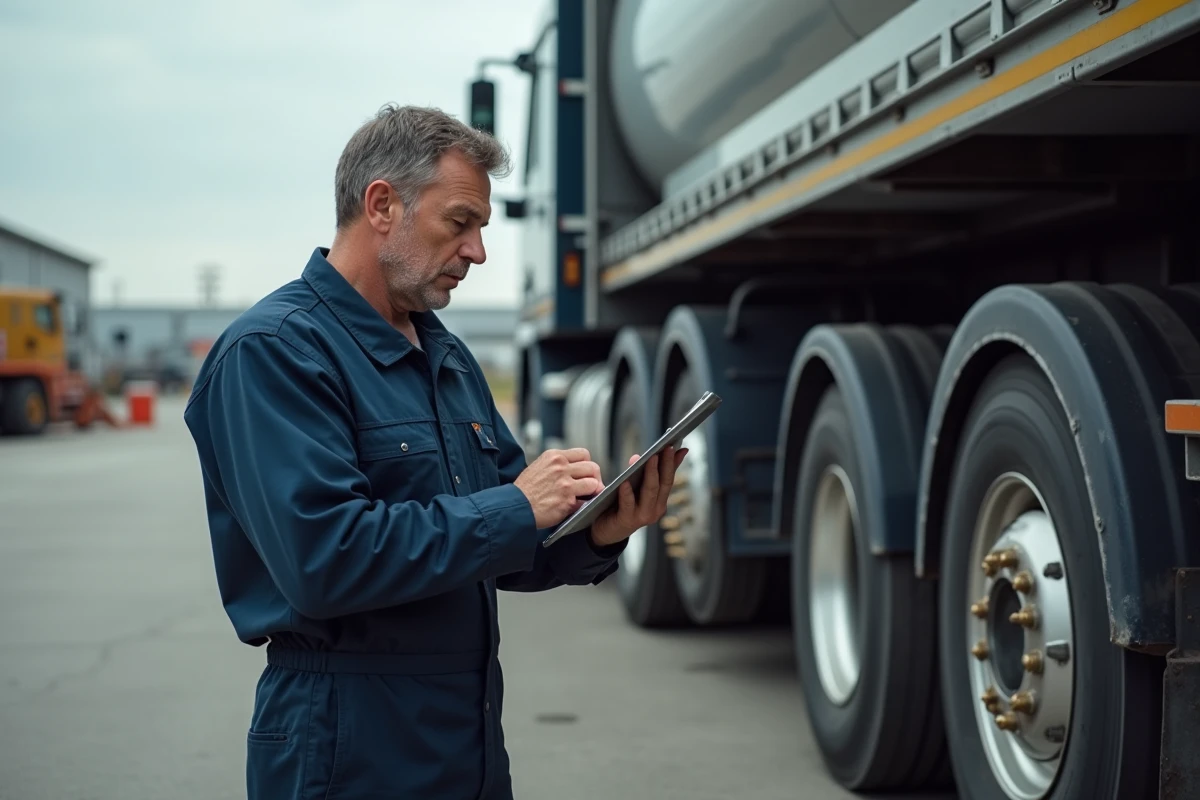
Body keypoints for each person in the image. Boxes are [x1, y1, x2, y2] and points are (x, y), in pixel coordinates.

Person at [182, 103, 687, 800]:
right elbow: (324, 561)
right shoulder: (275, 353)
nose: (478, 251)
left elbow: (512, 541)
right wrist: (514, 507)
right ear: (382, 205)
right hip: (347, 742)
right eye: (460, 223)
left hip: (466, 740)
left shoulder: (444, 356)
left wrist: (598, 529)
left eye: (481, 228)